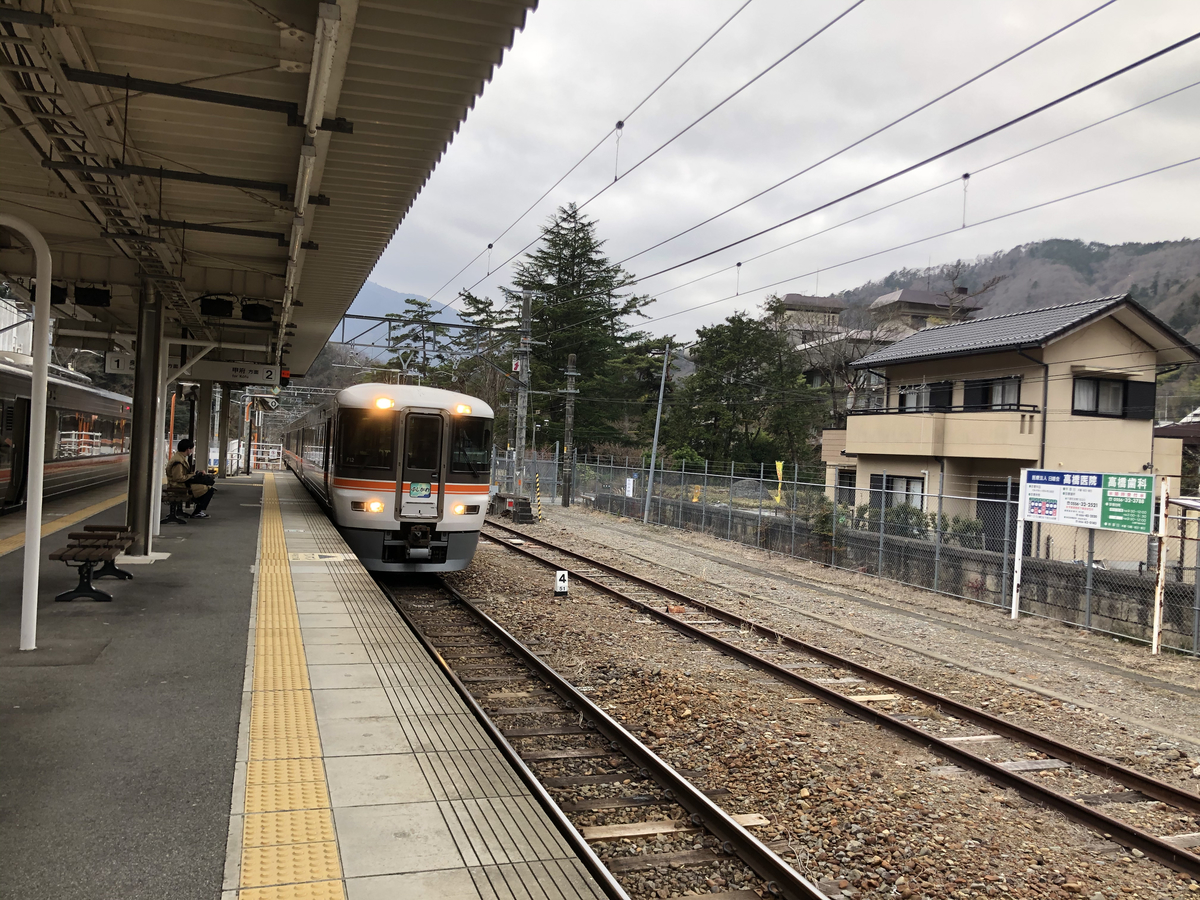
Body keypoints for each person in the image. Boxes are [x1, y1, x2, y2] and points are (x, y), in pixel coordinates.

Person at [167, 438, 215, 519]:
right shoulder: (178, 461)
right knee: (209, 489)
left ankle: (198, 509)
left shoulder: (179, 457)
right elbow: (178, 478)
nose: (192, 451)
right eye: (192, 449)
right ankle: (198, 511)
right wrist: (192, 476)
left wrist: (195, 474)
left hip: (180, 484)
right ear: (188, 449)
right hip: (178, 485)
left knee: (207, 484)